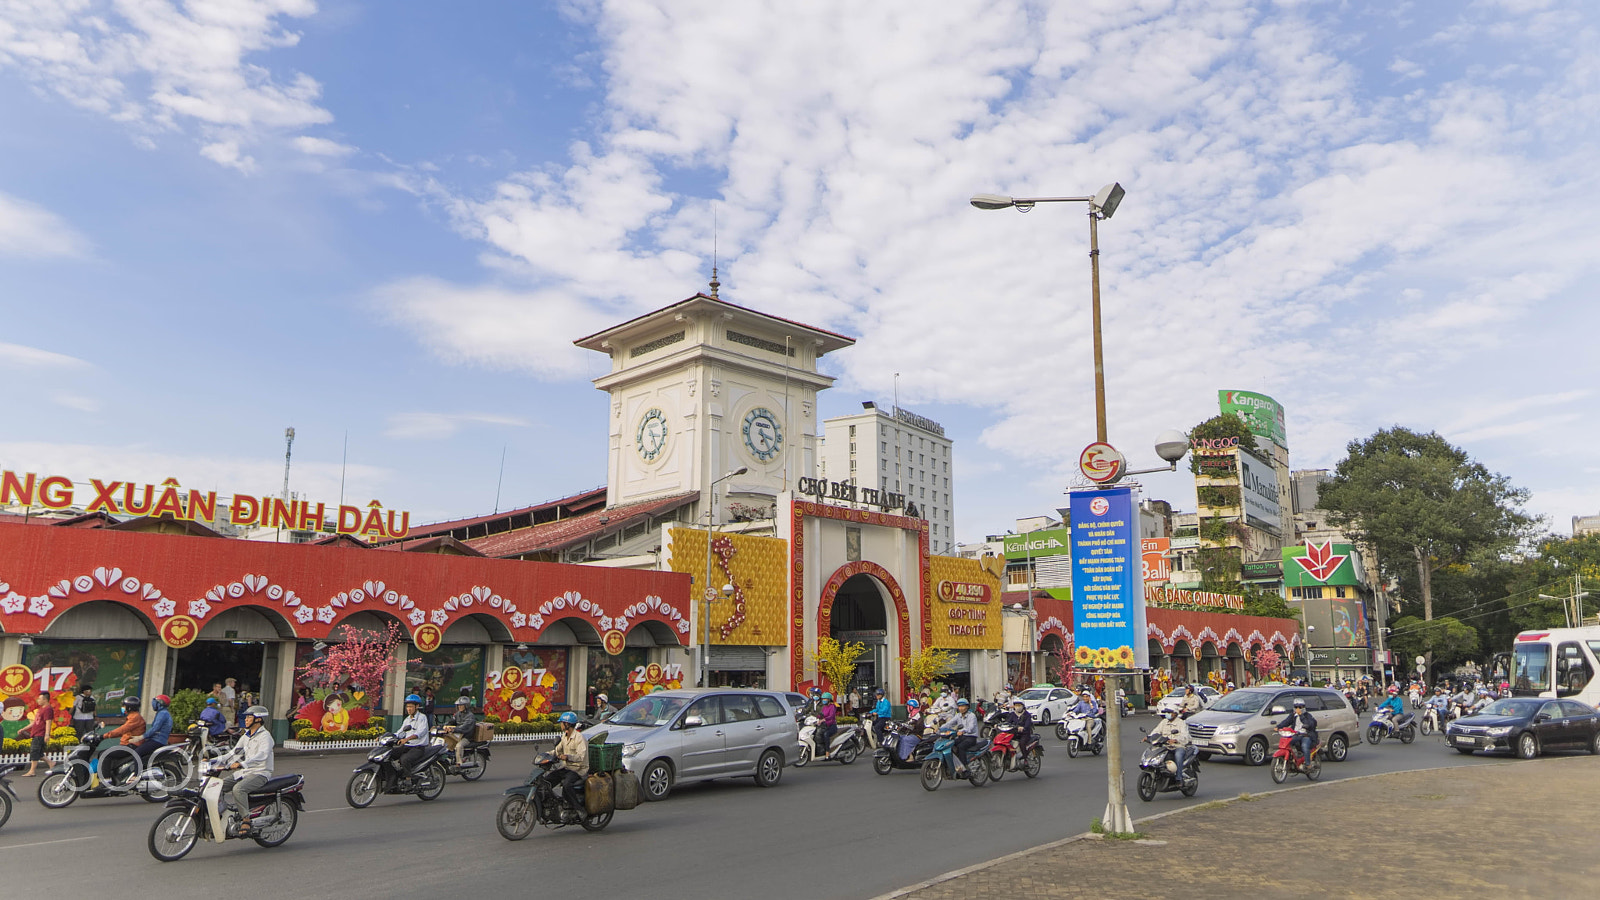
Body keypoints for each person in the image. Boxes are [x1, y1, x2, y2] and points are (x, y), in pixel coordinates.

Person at [216, 705, 274, 835]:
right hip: (245, 772)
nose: (246, 720)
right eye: (246, 717)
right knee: (217, 786)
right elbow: (233, 753)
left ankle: (246, 819)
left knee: (238, 789)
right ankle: (225, 814)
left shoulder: (266, 737)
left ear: (258, 719)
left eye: (249, 717)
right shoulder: (246, 736)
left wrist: (242, 763)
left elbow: (262, 755)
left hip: (260, 773)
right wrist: (213, 761)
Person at [551, 710, 589, 813]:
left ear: (567, 724)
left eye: (561, 723)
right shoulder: (564, 736)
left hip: (578, 769)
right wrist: (546, 756)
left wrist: (567, 757)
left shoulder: (579, 738)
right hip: (567, 768)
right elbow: (557, 750)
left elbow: (581, 757)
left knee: (567, 784)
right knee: (548, 780)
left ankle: (579, 809)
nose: (560, 725)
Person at [394, 694, 431, 777]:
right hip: (407, 747)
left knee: (404, 759)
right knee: (390, 754)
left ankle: (408, 779)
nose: (408, 709)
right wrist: (386, 736)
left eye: (411, 706)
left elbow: (420, 733)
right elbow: (400, 732)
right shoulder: (407, 719)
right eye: (407, 707)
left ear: (417, 706)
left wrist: (407, 739)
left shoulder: (422, 718)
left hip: (418, 748)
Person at [1149, 707, 1193, 775]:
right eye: (1166, 713)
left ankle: (1179, 778)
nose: (1167, 714)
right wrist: (1149, 737)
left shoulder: (1181, 723)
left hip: (1178, 746)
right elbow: (1156, 731)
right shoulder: (1164, 722)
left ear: (1175, 714)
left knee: (1178, 756)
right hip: (1165, 746)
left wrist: (1176, 740)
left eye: (1169, 713)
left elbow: (1185, 735)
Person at [1277, 698, 1318, 765]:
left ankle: (1308, 764)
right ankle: (1292, 759)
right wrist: (1278, 727)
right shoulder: (1293, 715)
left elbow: (1310, 724)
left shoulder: (1308, 716)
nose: (1298, 708)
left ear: (1303, 707)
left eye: (1300, 707)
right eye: (1296, 707)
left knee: (1304, 746)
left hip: (1306, 735)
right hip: (1295, 734)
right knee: (1287, 743)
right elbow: (1286, 722)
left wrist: (1301, 715)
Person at [133, 694, 174, 762]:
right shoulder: (163, 713)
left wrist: (142, 737)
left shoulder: (163, 714)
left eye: (155, 702)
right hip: (159, 740)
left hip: (157, 740)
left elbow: (155, 728)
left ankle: (138, 772)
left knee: (136, 753)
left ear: (160, 703)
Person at [440, 696, 479, 765]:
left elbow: (464, 728)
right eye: (458, 705)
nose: (459, 707)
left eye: (461, 705)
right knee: (445, 742)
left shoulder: (470, 716)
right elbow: (451, 721)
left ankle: (459, 763)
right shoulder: (458, 714)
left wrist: (453, 729)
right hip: (458, 735)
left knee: (458, 746)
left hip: (466, 737)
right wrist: (443, 726)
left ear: (466, 706)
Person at [23, 694, 55, 776]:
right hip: (36, 733)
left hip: (41, 733)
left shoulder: (48, 709)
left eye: (40, 699)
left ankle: (32, 771)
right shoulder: (41, 709)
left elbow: (48, 722)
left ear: (45, 700)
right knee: (39, 752)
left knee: (34, 751)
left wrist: (47, 734)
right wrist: (24, 729)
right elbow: (35, 722)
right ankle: (51, 763)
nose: (38, 700)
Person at [948, 698, 980, 775]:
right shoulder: (958, 716)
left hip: (971, 737)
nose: (961, 708)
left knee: (961, 747)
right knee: (950, 744)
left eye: (963, 706)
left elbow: (971, 727)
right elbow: (949, 723)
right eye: (959, 706)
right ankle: (955, 765)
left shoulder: (972, 716)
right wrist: (939, 729)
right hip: (961, 737)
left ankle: (964, 768)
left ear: (967, 707)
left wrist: (963, 731)